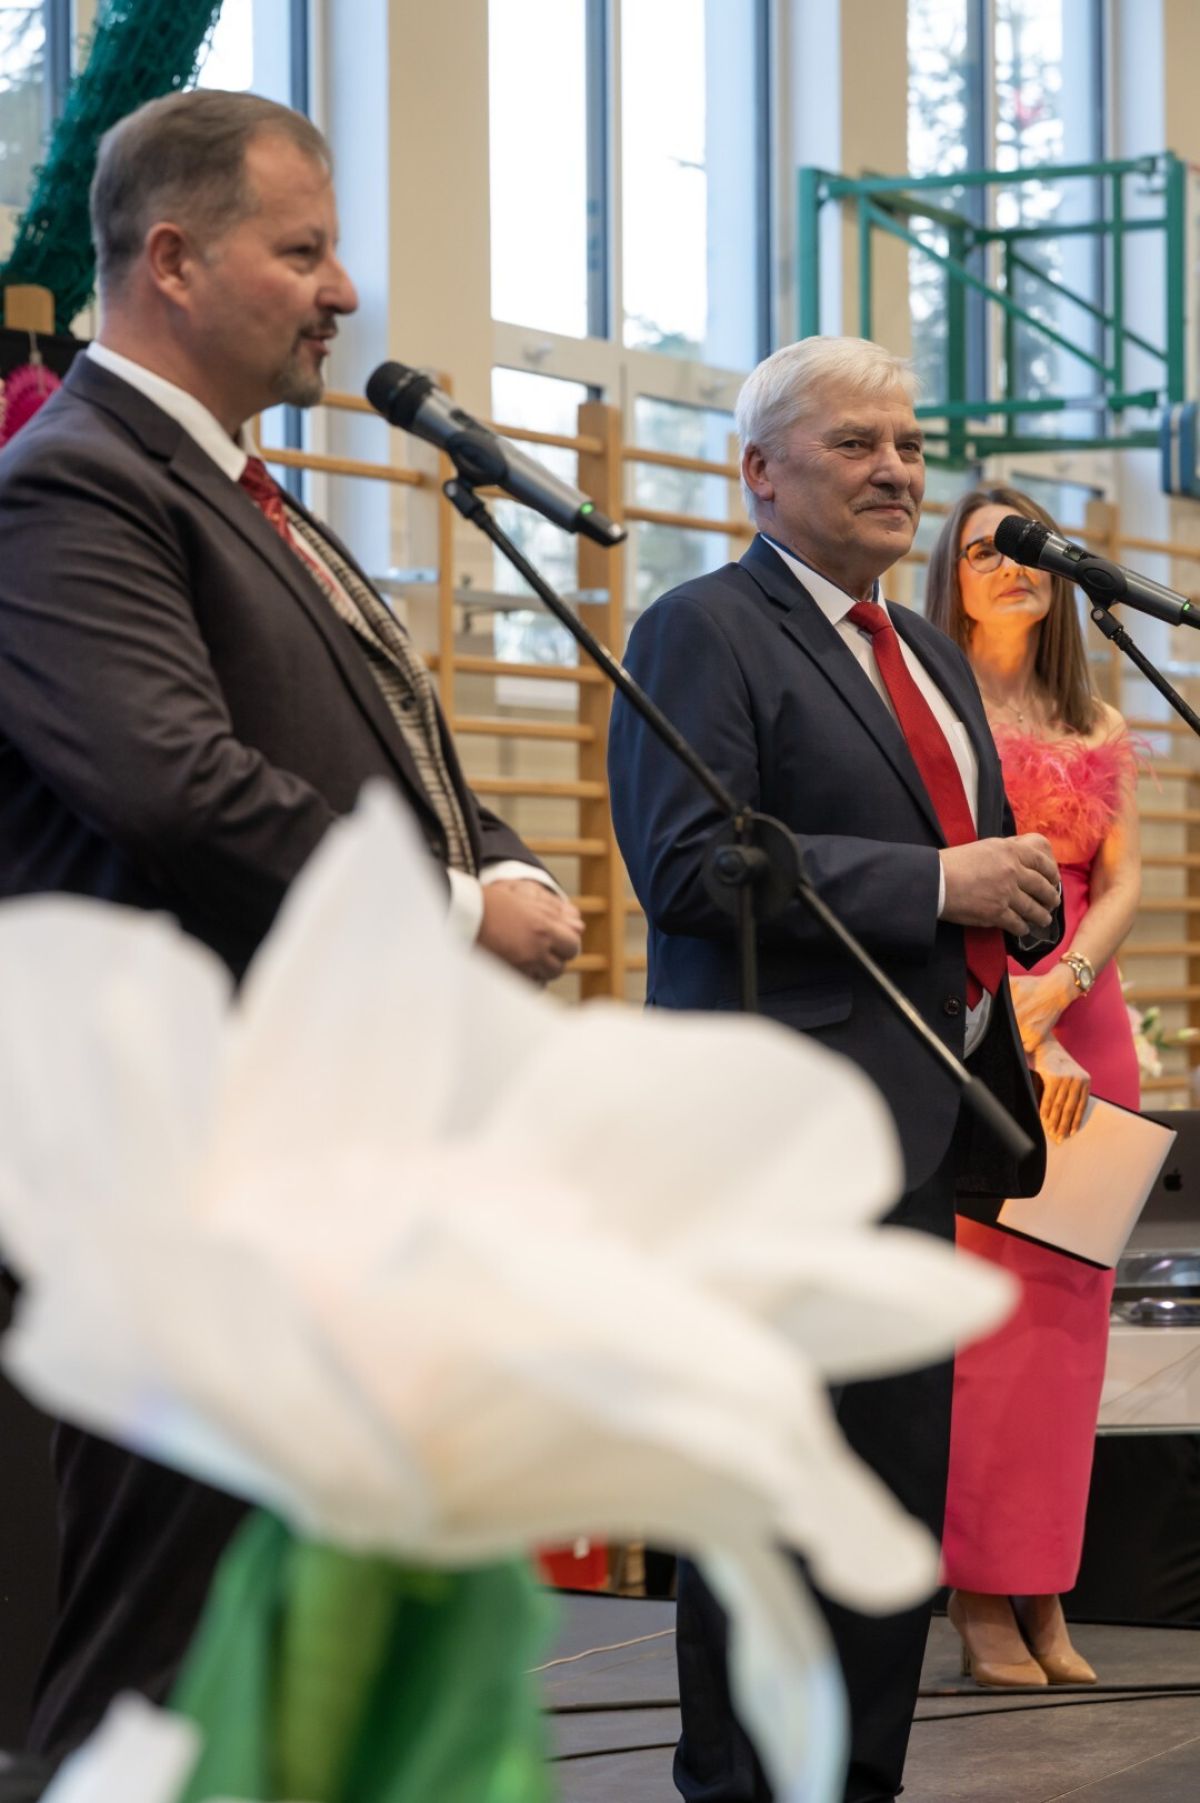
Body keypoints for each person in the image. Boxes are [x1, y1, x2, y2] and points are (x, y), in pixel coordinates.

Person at [0, 89, 583, 1758]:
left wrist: (502, 858)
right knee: (167, 1653)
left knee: (292, 1646)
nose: (344, 292)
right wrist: (458, 911)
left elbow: (386, 739)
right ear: (175, 259)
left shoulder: (248, 491)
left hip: (307, 1142)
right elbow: (174, 785)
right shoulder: (74, 488)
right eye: (305, 249)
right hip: (184, 1152)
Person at [607, 336, 1061, 1803]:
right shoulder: (703, 629)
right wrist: (935, 883)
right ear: (759, 470)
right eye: (857, 443)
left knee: (885, 1507)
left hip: (920, 1128)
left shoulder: (925, 647)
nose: (897, 471)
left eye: (910, 445)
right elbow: (690, 865)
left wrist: (1013, 902)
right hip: (773, 1140)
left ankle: (860, 1781)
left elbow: (959, 857)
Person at [926, 487, 1141, 1688]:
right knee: (986, 1329)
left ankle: (1046, 1587)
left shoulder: (1096, 714)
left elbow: (1124, 881)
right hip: (979, 1008)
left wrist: (1066, 991)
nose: (1010, 570)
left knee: (1067, 1333)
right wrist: (1020, 1016)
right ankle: (978, 1596)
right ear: (949, 580)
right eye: (982, 554)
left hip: (1084, 1009)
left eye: (1026, 551)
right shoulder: (930, 707)